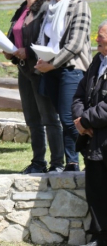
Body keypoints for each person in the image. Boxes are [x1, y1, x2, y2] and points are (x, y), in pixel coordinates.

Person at [3, 0, 64, 173]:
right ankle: (38, 161)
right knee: (31, 118)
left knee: (49, 117)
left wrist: (27, 51)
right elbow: (14, 33)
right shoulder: (22, 8)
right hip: (23, 70)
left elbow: (48, 40)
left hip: (41, 70)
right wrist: (9, 49)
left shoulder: (46, 8)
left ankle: (57, 163)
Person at [36, 0, 92, 172]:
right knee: (61, 118)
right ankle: (71, 162)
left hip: (72, 68)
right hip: (51, 69)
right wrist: (41, 61)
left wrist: (52, 64)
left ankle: (86, 160)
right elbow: (45, 39)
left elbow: (75, 44)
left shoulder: (79, 5)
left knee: (71, 119)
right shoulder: (49, 8)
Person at [72, 21, 107, 246]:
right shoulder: (97, 61)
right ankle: (99, 237)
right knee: (96, 192)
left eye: (101, 36)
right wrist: (79, 120)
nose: (96, 39)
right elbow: (79, 94)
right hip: (94, 142)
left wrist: (85, 119)